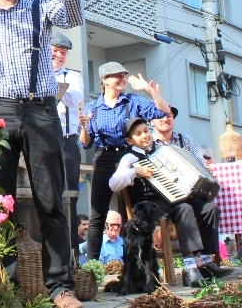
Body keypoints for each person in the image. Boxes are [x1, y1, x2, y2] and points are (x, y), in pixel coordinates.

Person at [0, 0, 85, 308]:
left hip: (40, 109)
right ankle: (3, 286)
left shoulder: (41, 6)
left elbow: (73, 16)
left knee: (50, 199)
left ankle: (60, 287)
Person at [78, 62, 169, 265]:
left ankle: (142, 264)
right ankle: (93, 266)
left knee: (139, 212)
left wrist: (148, 89)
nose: (122, 79)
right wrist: (83, 126)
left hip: (131, 156)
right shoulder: (93, 106)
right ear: (104, 80)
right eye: (116, 76)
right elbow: (86, 144)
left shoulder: (132, 101)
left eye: (123, 75)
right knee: (97, 215)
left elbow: (164, 112)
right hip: (104, 157)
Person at [148, 108, 233, 284]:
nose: (166, 119)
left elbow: (201, 162)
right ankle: (189, 268)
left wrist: (207, 166)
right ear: (152, 122)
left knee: (211, 209)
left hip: (187, 194)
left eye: (169, 116)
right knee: (185, 209)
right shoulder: (148, 142)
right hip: (162, 197)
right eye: (161, 116)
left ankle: (205, 263)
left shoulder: (184, 140)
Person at [51, 31, 85, 251]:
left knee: (68, 197)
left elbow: (74, 97)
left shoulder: (72, 76)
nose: (59, 56)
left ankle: (71, 252)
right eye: (54, 51)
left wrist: (51, 85)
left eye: (62, 52)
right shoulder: (33, 74)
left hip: (66, 143)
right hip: (43, 142)